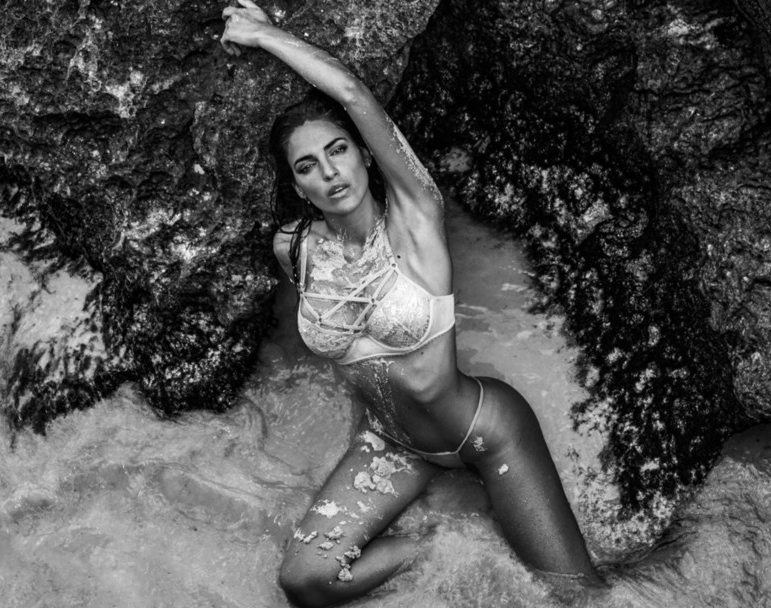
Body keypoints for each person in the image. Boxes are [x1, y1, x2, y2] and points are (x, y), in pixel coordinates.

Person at [220, 3, 601, 605]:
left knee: (576, 596)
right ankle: (443, 542)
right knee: (305, 582)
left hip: (483, 432)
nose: (330, 173)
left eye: (339, 150)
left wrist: (264, 34)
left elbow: (352, 93)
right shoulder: (293, 247)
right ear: (298, 187)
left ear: (365, 154)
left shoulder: (416, 216)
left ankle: (492, 512)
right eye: (308, 167)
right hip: (391, 442)